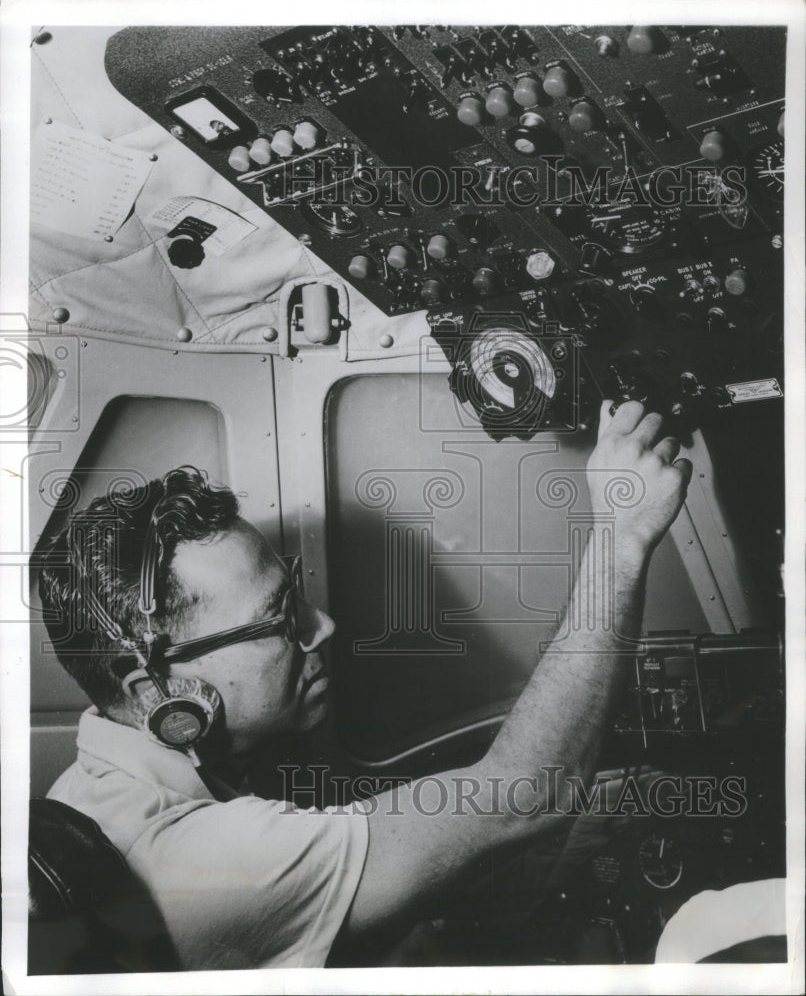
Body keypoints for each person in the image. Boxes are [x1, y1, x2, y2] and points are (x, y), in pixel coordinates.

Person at [38, 400, 692, 970]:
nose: (322, 626)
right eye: (278, 620)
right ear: (153, 686)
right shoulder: (206, 865)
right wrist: (621, 532)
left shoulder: (94, 796)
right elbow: (526, 793)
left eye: (298, 598)